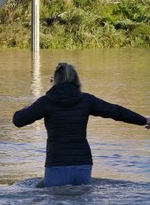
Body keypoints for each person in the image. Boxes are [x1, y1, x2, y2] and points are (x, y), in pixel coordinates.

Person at [12, 62, 149, 187]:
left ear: (55, 81)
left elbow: (18, 121)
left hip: (57, 163)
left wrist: (27, 108)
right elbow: (117, 112)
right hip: (83, 163)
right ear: (76, 80)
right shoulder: (86, 100)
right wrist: (145, 120)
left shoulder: (46, 102)